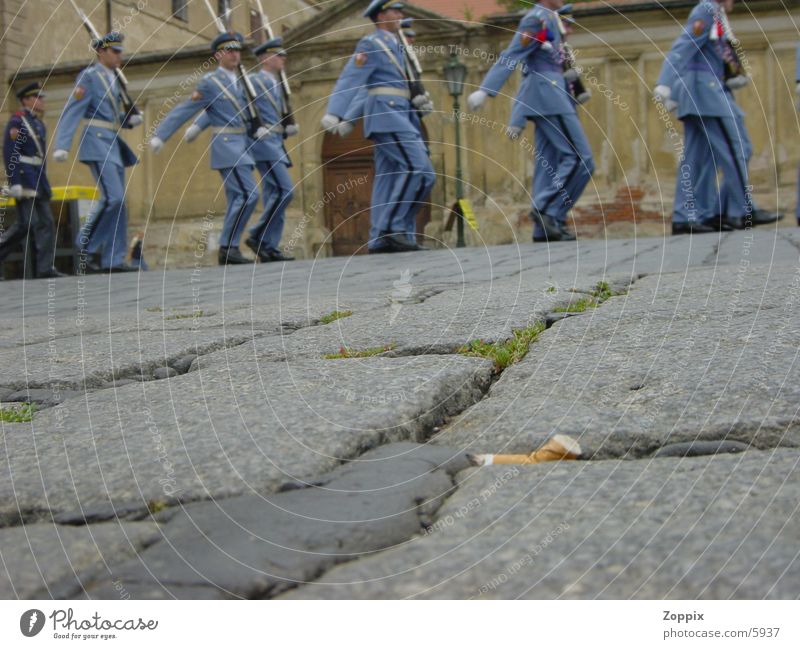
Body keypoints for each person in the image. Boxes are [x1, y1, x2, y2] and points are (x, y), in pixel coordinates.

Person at [468, 0, 593, 243]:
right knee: (580, 158)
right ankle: (546, 209)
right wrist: (486, 90)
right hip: (548, 95)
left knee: (549, 165)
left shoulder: (552, 20)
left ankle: (546, 226)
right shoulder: (537, 20)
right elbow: (513, 53)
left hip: (552, 94)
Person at [654, 0, 780, 234]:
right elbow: (683, 46)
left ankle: (691, 214)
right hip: (705, 92)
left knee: (698, 158)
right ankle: (742, 209)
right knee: (737, 147)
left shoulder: (716, 14)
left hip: (706, 90)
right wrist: (664, 82)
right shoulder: (706, 9)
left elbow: (713, 53)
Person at [320, 1, 434, 254]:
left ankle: (384, 237)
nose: (400, 15)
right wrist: (336, 112)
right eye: (395, 11)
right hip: (386, 113)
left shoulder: (397, 45)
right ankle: (391, 230)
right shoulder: (371, 44)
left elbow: (397, 84)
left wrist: (418, 99)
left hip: (400, 112)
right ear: (381, 15)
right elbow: (354, 80)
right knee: (418, 168)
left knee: (387, 178)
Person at [149, 32, 269, 265]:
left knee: (239, 196)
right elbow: (187, 108)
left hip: (243, 144)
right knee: (248, 194)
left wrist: (259, 126)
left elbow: (241, 109)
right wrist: (161, 135)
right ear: (218, 55)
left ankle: (229, 248)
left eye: (237, 50)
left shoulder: (243, 79)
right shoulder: (210, 83)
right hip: (226, 145)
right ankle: (227, 246)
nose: (235, 54)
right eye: (229, 51)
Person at [192, 37, 298, 262]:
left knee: (274, 194)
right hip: (262, 144)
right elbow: (225, 104)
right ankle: (258, 235)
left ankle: (269, 244)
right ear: (265, 58)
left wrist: (287, 123)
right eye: (278, 55)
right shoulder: (253, 81)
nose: (283, 59)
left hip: (276, 143)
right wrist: (197, 125)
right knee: (284, 191)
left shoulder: (278, 82)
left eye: (284, 55)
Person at [53, 31, 141, 272]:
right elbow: (73, 109)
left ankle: (114, 258)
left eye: (120, 52)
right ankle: (86, 243)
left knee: (120, 204)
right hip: (96, 142)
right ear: (101, 52)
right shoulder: (89, 77)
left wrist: (128, 119)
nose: (118, 56)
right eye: (114, 52)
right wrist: (62, 144)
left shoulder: (114, 79)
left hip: (113, 142)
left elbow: (111, 113)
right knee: (114, 198)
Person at [0, 82, 65, 279]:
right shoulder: (17, 122)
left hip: (38, 178)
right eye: (38, 97)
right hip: (24, 178)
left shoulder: (38, 123)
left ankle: (45, 268)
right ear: (27, 100)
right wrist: (15, 181)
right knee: (26, 224)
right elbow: (10, 151)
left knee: (46, 222)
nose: (42, 101)